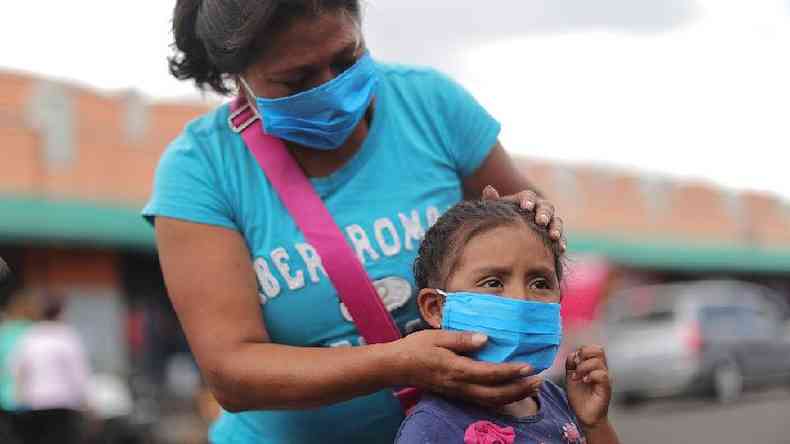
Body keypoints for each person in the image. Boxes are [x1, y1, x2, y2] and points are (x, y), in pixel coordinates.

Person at [144, 1, 566, 442]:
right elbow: (231, 372)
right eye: (297, 79)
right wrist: (398, 363)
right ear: (239, 79)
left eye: (347, 59)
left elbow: (525, 215)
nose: (332, 86)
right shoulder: (201, 170)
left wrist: (537, 221)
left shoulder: (429, 105)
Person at [397, 199, 619, 444]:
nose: (521, 301)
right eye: (493, 283)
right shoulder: (433, 429)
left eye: (540, 283)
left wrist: (595, 424)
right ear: (436, 308)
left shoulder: (560, 401)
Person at [8, 294, 91, 444]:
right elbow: (79, 373)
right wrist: (86, 401)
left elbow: (18, 370)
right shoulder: (67, 336)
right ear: (61, 312)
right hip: (62, 403)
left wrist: (19, 397)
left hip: (35, 402)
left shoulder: (30, 336)